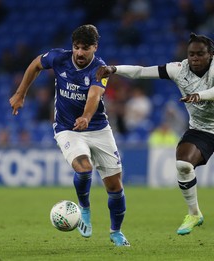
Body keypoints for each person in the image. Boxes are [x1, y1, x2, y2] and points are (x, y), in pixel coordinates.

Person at [96, 33, 214, 245]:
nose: (195, 58)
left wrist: (199, 96)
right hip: (200, 130)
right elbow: (141, 71)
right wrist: (114, 70)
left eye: (200, 54)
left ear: (210, 54)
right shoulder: (179, 69)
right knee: (183, 164)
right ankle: (194, 213)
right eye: (191, 54)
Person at [9, 24, 130, 247]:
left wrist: (86, 116)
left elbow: (94, 96)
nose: (80, 53)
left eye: (85, 48)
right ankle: (84, 209)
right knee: (83, 168)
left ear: (95, 47)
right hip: (67, 128)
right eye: (76, 47)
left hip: (99, 128)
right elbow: (36, 64)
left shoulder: (100, 68)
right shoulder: (58, 58)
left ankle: (116, 232)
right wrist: (20, 93)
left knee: (115, 187)